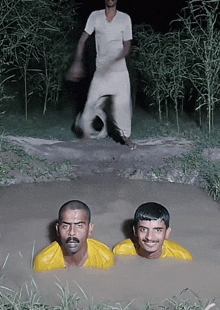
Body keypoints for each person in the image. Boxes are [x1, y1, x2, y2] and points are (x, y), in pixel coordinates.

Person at [66, 0, 136, 150]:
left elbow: (127, 47)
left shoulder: (125, 18)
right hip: (101, 72)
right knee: (90, 104)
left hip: (119, 73)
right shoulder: (95, 16)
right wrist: (77, 62)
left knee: (122, 107)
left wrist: (112, 63)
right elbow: (82, 41)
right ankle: (86, 138)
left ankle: (127, 138)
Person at [34, 200, 115, 272]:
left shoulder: (105, 259)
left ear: (90, 229)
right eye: (66, 226)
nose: (72, 232)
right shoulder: (44, 263)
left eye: (79, 226)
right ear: (57, 229)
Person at [113, 202, 194, 261]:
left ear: (167, 233)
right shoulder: (121, 251)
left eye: (158, 230)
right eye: (143, 229)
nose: (149, 237)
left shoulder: (181, 257)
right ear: (135, 232)